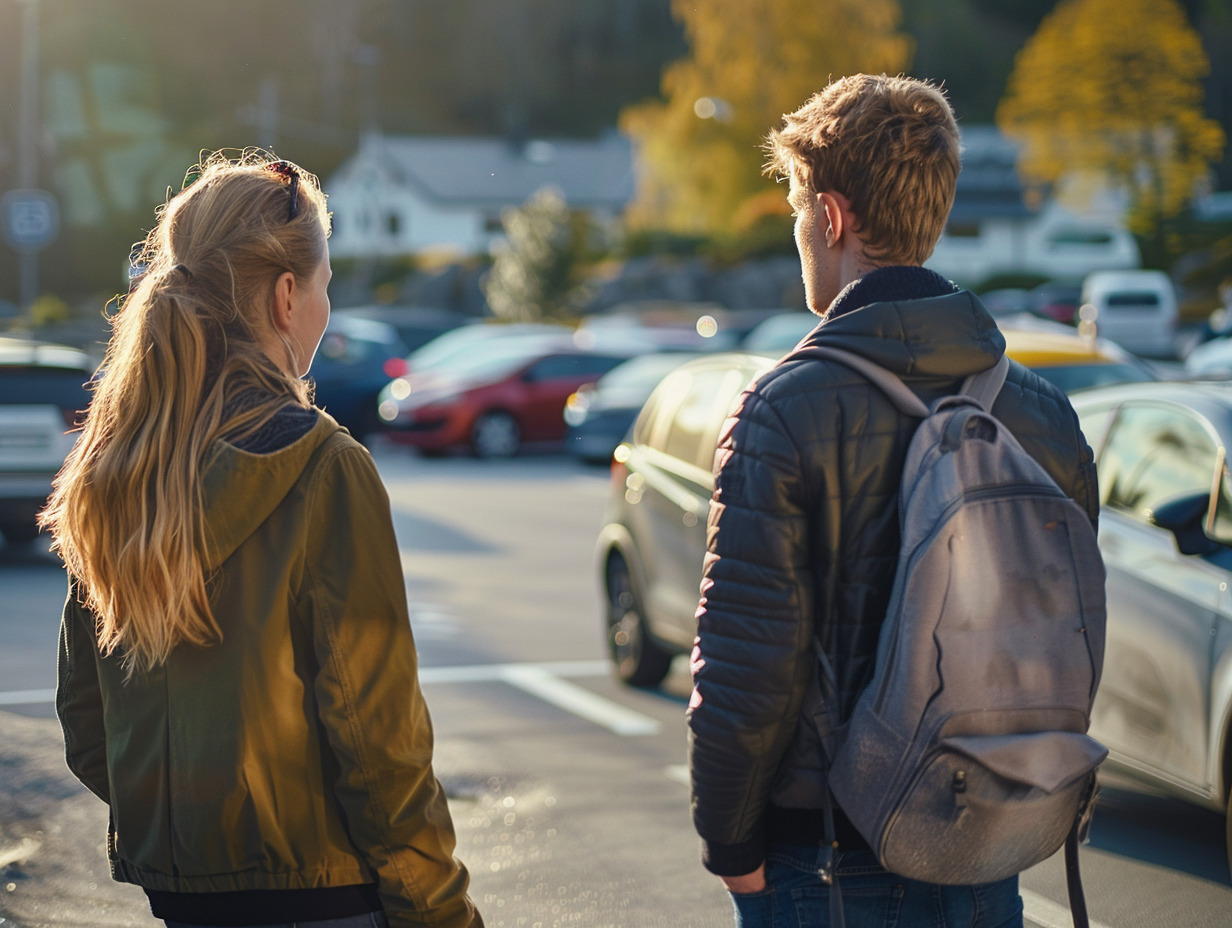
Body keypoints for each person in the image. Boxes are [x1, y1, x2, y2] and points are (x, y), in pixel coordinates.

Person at [686, 74, 1100, 928]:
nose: (801, 231)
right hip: (990, 840)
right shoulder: (1041, 411)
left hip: (830, 856)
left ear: (832, 217)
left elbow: (747, 668)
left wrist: (730, 846)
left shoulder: (784, 408)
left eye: (800, 207)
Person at [41, 150, 484, 928]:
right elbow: (378, 742)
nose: (324, 307)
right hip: (326, 894)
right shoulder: (323, 467)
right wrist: (441, 913)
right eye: (324, 287)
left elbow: (87, 717)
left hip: (180, 894)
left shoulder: (114, 471)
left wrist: (192, 829)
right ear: (286, 296)